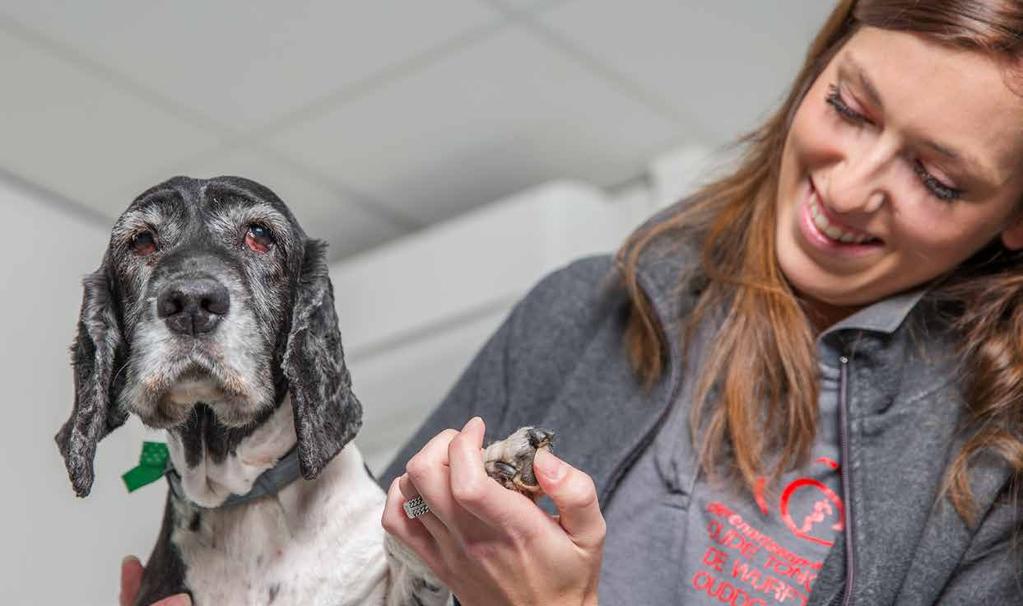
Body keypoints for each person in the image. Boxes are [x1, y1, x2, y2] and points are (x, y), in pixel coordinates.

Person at [123, 0, 1023, 603]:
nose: (850, 184)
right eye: (850, 109)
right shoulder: (581, 311)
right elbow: (360, 570)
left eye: (936, 179)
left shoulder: (992, 486)